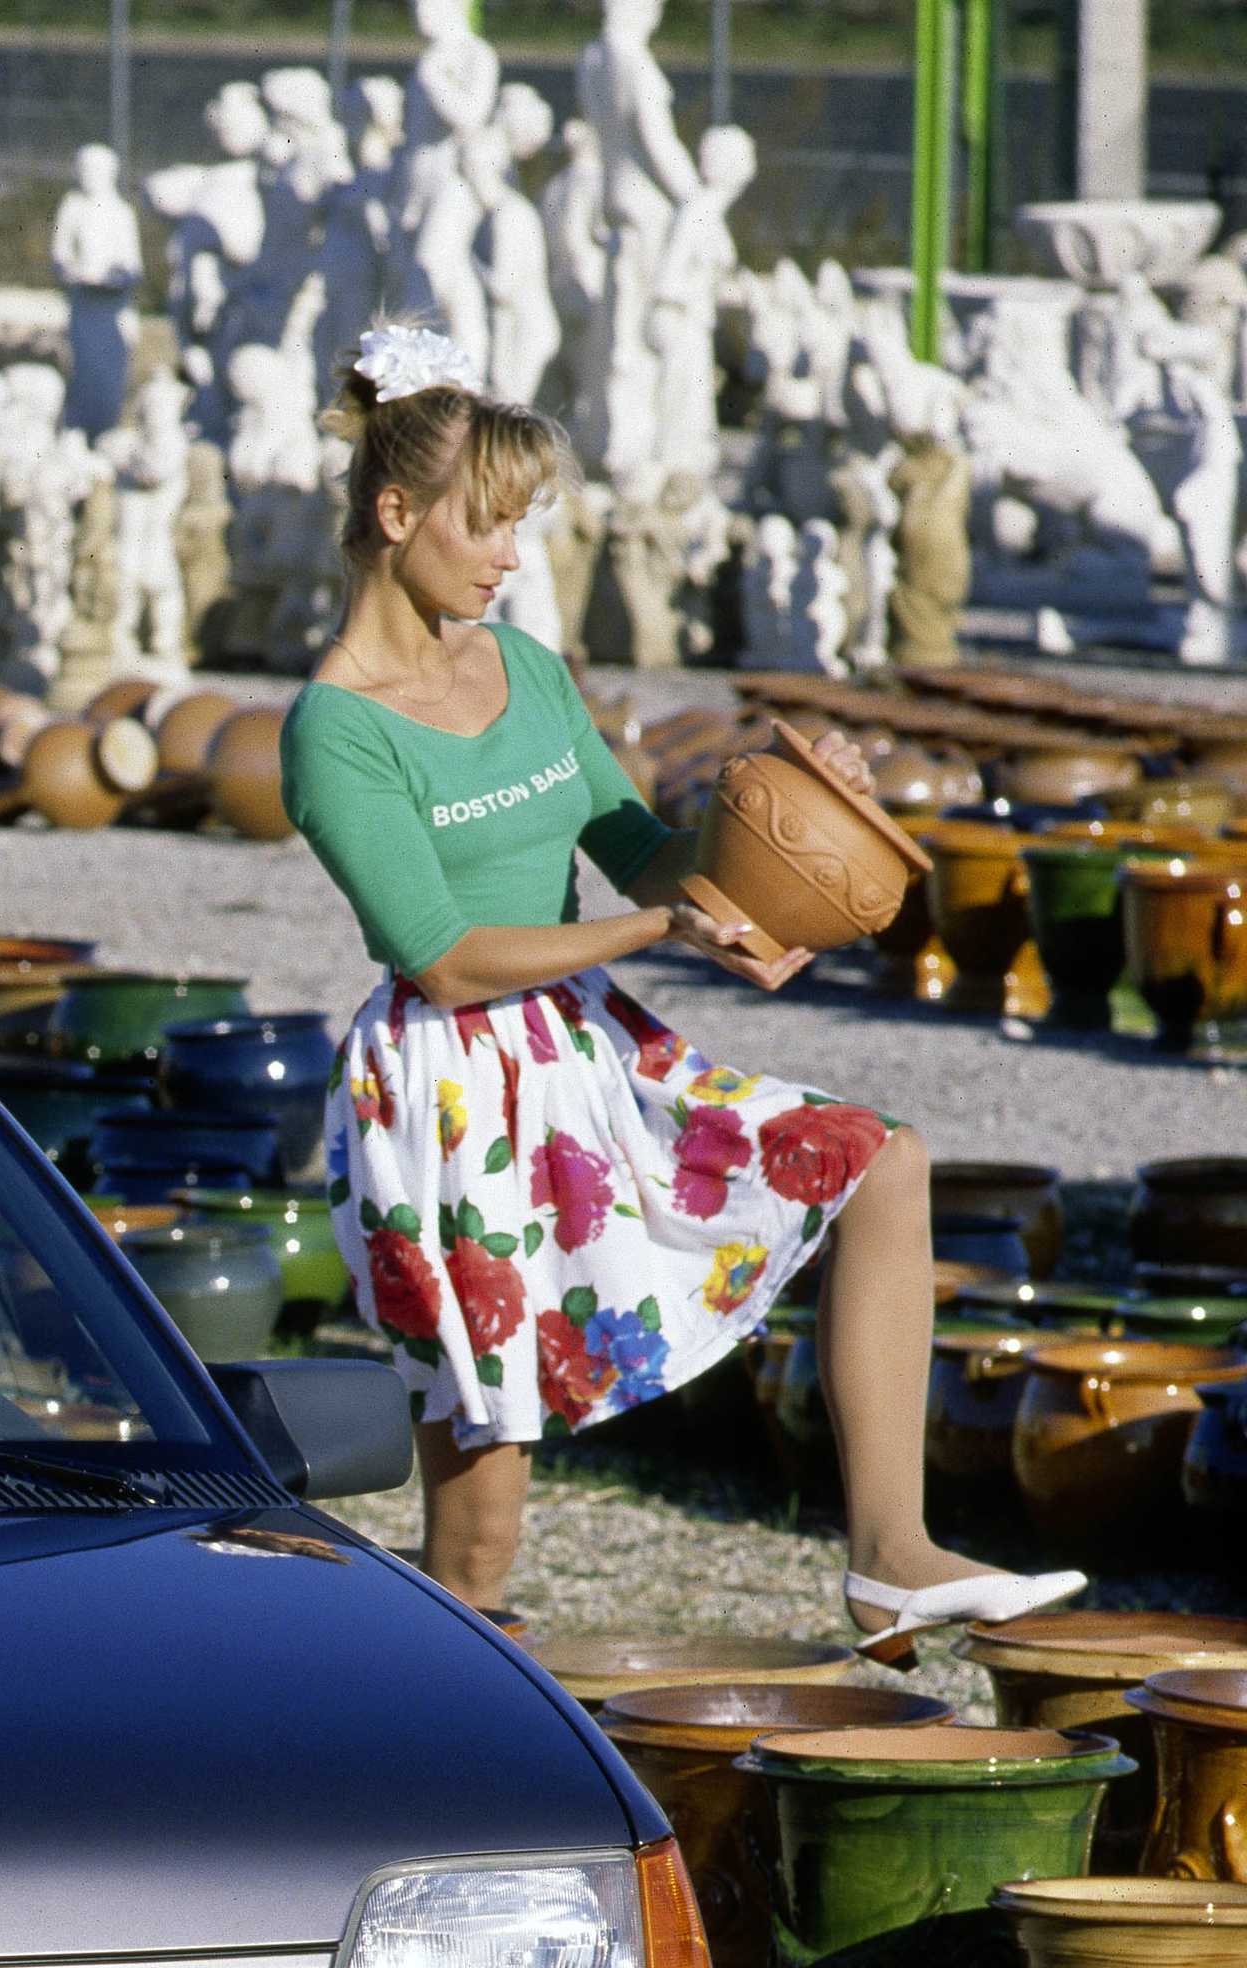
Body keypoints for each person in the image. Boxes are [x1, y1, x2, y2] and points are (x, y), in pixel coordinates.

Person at [280, 320, 1081, 1652]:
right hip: (448, 1100)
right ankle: (423, 1734)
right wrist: (658, 924)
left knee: (881, 1161)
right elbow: (442, 953)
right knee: (479, 1544)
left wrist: (793, 815)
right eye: (488, 526)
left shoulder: (528, 670)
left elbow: (647, 849)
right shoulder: (334, 728)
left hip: (588, 1048)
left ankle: (891, 1556)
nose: (509, 557)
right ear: (393, 509)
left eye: (520, 525)